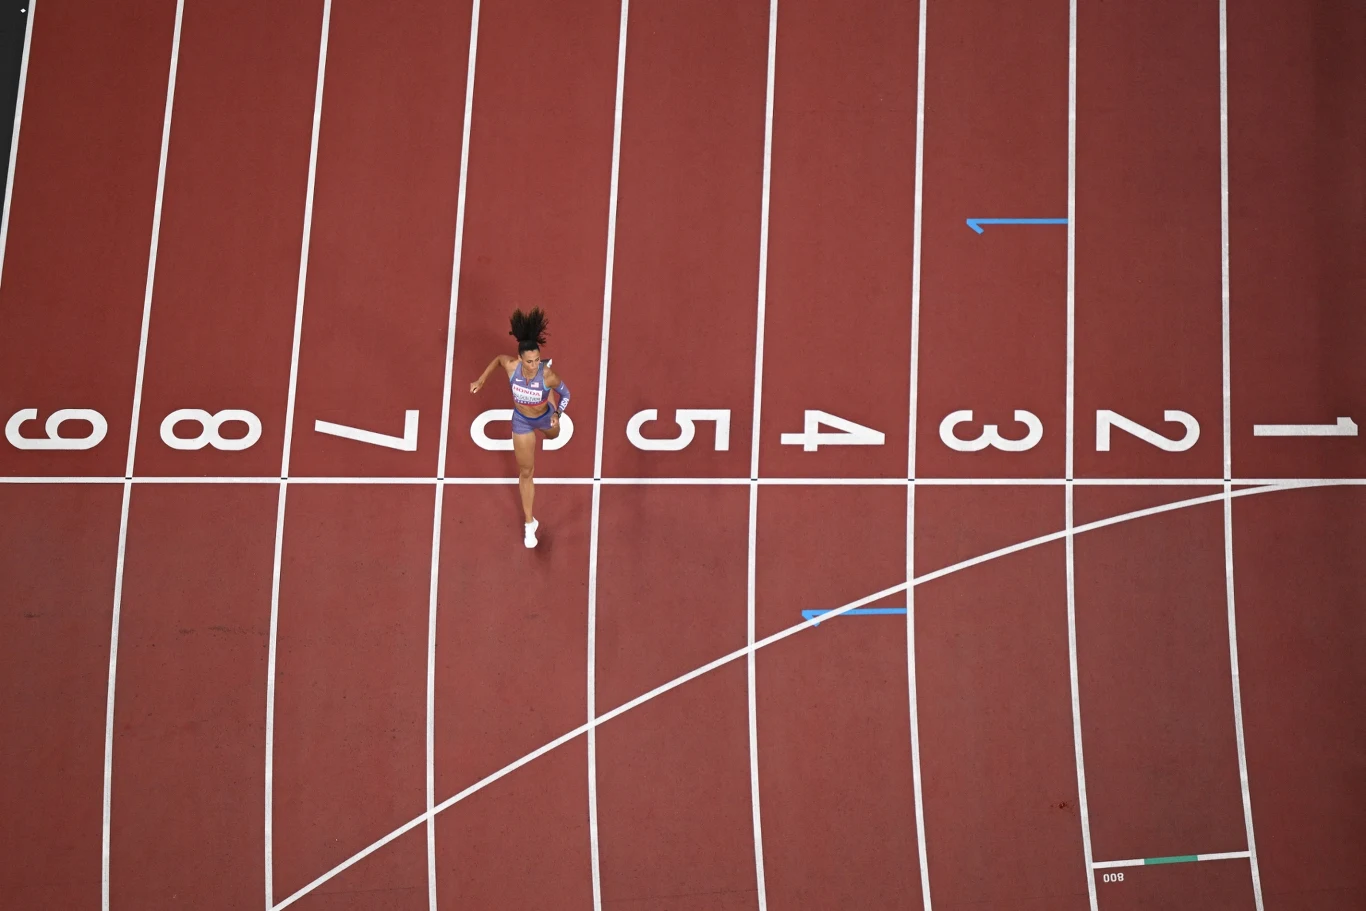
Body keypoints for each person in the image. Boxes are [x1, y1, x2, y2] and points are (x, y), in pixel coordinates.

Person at [469, 307, 570, 548]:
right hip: (522, 420)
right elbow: (497, 360)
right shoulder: (511, 366)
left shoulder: (548, 376)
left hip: (545, 417)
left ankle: (548, 405)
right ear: (520, 359)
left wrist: (557, 413)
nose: (534, 365)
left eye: (537, 360)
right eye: (530, 361)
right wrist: (481, 381)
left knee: (554, 436)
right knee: (526, 472)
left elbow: (566, 393)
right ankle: (529, 524)